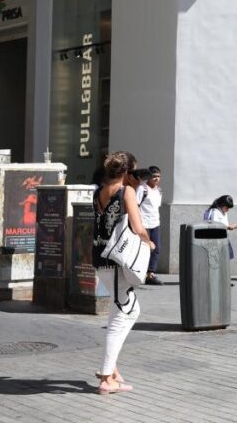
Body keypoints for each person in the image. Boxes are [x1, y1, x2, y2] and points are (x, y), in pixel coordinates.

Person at [92, 151, 155, 394]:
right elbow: (137, 227)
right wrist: (148, 242)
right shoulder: (125, 191)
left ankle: (113, 370)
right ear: (127, 172)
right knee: (125, 313)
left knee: (119, 311)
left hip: (100, 257)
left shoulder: (98, 191)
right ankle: (106, 376)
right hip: (117, 261)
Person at [139, 166, 163, 286]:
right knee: (143, 249)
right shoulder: (142, 189)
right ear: (148, 177)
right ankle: (139, 274)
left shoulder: (159, 191)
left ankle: (150, 274)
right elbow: (136, 205)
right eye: (154, 176)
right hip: (143, 224)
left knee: (156, 248)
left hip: (155, 223)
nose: (156, 179)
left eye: (158, 176)